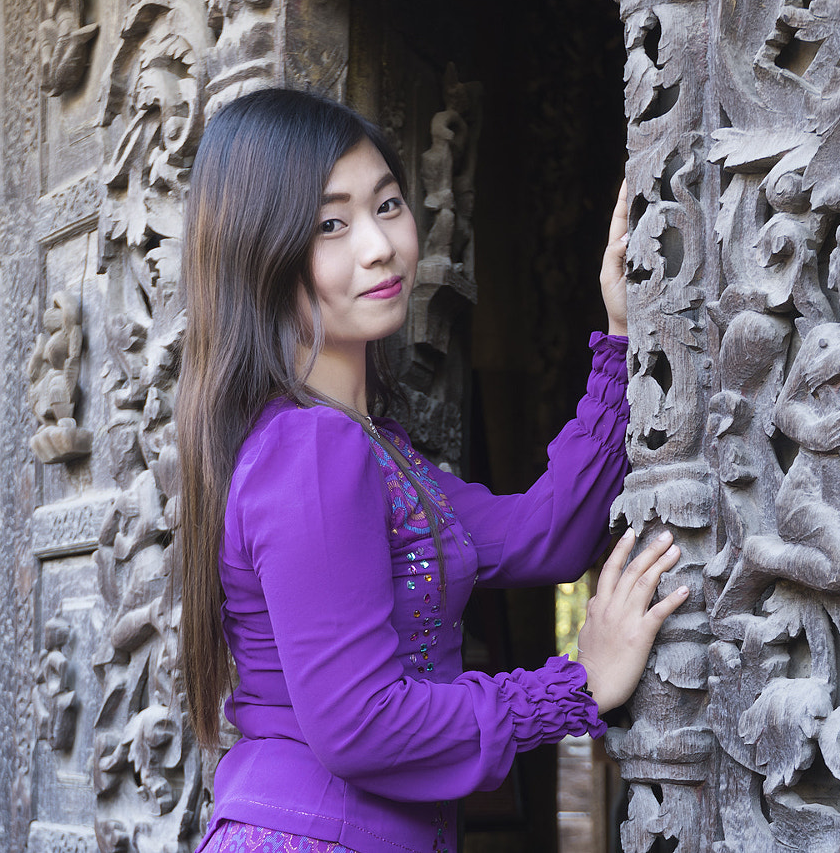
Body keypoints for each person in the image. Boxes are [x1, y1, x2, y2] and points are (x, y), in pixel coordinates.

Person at [177, 88, 689, 853]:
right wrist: (574, 686)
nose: (378, 246)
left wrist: (618, 338)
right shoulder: (312, 450)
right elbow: (362, 726)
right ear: (262, 251)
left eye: (386, 206)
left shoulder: (368, 448)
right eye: (330, 224)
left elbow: (546, 534)